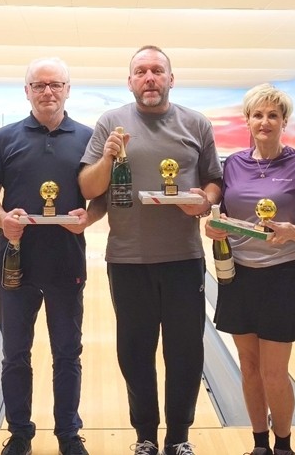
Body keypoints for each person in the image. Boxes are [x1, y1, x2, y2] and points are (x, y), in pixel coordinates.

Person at [78, 45, 222, 455]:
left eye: (157, 70)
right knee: (134, 352)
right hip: (127, 259)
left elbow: (214, 181)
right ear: (130, 81)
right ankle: (145, 436)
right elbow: (89, 187)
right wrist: (107, 157)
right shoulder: (110, 123)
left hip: (184, 259)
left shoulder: (196, 123)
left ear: (171, 78)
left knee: (185, 352)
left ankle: (178, 437)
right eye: (141, 71)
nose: (150, 78)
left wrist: (205, 201)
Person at [0, 57, 105, 455]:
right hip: (15, 263)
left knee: (68, 353)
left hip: (66, 262)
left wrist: (88, 220)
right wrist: (3, 220)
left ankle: (68, 434)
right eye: (39, 85)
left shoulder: (88, 138)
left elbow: (100, 199)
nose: (48, 91)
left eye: (56, 84)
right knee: (15, 354)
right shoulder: (4, 138)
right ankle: (20, 434)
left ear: (68, 89)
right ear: (27, 91)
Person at [204, 84, 295, 455]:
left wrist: (293, 232)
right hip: (237, 275)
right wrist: (213, 227)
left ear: (285, 121)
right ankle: (259, 445)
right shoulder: (233, 165)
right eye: (258, 115)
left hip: (281, 276)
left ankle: (283, 446)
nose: (265, 121)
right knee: (249, 366)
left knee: (274, 372)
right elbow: (221, 216)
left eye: (273, 115)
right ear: (248, 120)